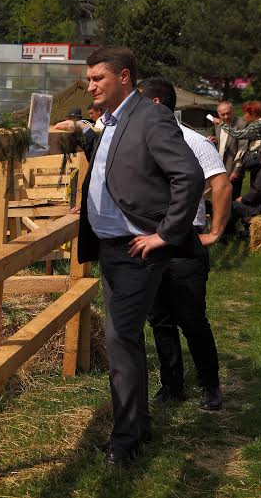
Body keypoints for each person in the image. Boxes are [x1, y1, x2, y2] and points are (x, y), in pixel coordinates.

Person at [59, 47, 204, 466]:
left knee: (120, 339)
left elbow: (188, 175)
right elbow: (116, 169)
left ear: (124, 77)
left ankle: (125, 440)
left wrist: (165, 234)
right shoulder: (111, 121)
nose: (90, 87)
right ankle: (138, 424)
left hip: (136, 247)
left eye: (97, 79)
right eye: (88, 80)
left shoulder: (150, 116)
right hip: (112, 246)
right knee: (127, 339)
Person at [139, 77, 230, 412]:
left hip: (184, 242)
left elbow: (220, 184)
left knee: (191, 318)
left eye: (139, 101)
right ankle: (172, 385)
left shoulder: (190, 140)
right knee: (160, 319)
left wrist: (216, 231)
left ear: (157, 104)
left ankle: (210, 385)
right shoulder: (141, 139)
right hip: (151, 241)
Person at [213, 100, 261, 195]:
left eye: (246, 113)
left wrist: (221, 124)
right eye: (222, 114)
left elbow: (238, 135)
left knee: (257, 190)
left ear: (253, 113)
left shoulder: (256, 125)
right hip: (259, 163)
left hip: (259, 164)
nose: (244, 116)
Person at [225, 145, 261, 238]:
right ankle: (248, 229)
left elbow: (257, 192)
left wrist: (243, 199)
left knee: (234, 205)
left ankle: (229, 230)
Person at [209, 102, 247, 197]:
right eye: (223, 114)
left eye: (228, 113)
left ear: (233, 112)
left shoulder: (241, 124)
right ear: (218, 115)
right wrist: (216, 140)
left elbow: (242, 149)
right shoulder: (218, 124)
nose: (226, 117)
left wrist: (236, 171)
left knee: (232, 200)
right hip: (219, 167)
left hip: (233, 169)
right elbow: (224, 140)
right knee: (219, 197)